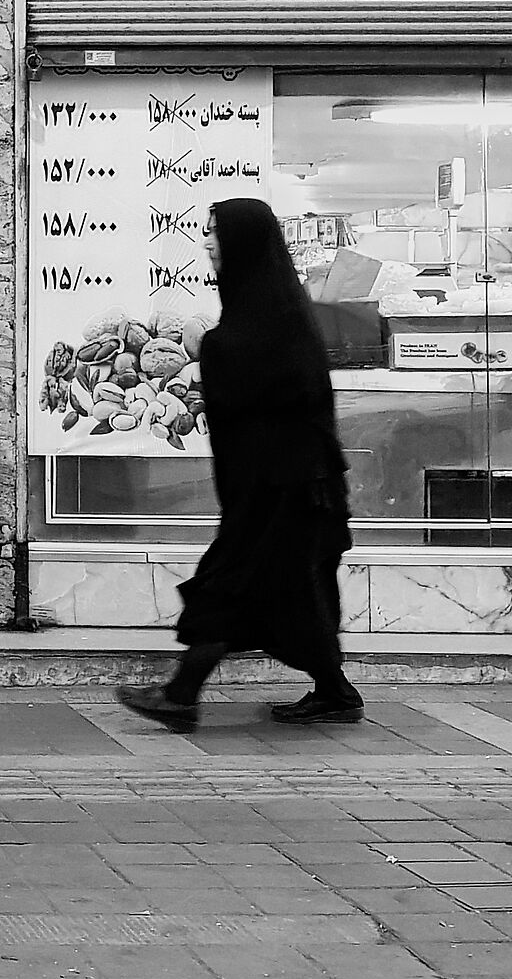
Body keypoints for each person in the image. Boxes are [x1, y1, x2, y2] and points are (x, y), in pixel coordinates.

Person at [117, 198, 361, 732]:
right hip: (283, 488)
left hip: (286, 491)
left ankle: (181, 695)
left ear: (243, 244)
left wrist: (216, 355)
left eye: (215, 235)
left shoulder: (264, 328)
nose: (206, 243)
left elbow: (266, 403)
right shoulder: (271, 312)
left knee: (231, 586)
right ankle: (335, 691)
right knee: (293, 593)